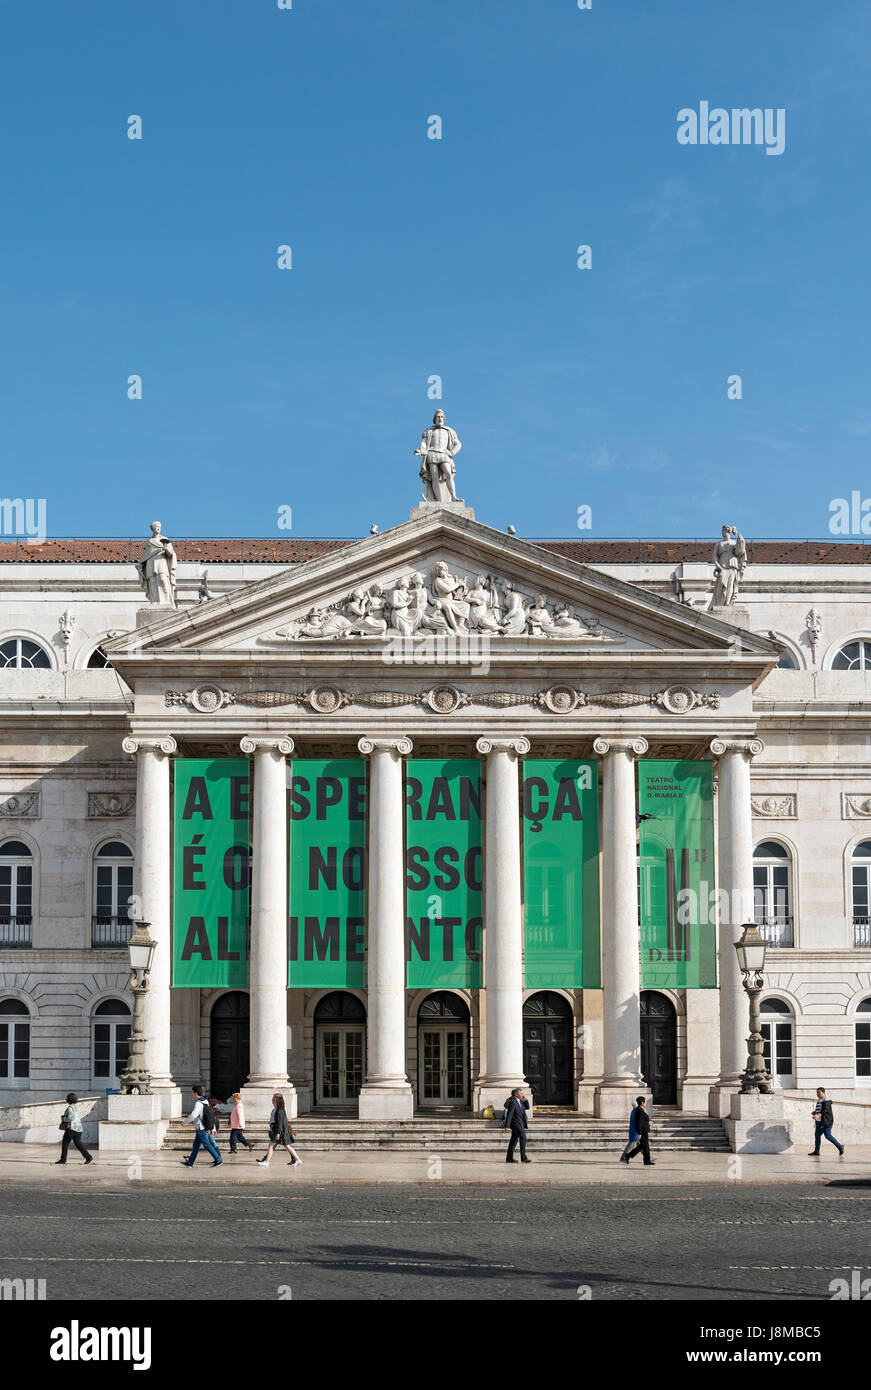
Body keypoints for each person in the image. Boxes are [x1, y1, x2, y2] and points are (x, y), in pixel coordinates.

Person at [181, 1085, 222, 1168]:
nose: (192, 1094)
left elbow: (193, 1115)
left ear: (196, 1093)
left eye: (192, 1092)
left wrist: (184, 1122)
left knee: (207, 1145)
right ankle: (190, 1162)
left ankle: (218, 1160)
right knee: (195, 1146)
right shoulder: (205, 1101)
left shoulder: (198, 1103)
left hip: (201, 1128)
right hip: (203, 1127)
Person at [256, 1093, 302, 1167]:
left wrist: (278, 1133)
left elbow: (280, 1123)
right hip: (279, 1131)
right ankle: (298, 1160)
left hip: (278, 1131)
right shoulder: (279, 1109)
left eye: (273, 1099)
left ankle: (266, 1162)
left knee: (271, 1145)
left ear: (277, 1101)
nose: (272, 1101)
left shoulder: (279, 1110)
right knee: (286, 1146)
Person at [55, 1092, 93, 1165]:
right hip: (78, 1128)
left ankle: (63, 1160)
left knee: (65, 1143)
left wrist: (64, 1119)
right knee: (78, 1144)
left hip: (71, 1129)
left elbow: (71, 1118)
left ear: (68, 1100)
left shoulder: (70, 1108)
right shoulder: (77, 1107)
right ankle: (88, 1157)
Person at [808, 1087, 845, 1157]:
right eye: (817, 1092)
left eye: (819, 1092)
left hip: (826, 1122)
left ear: (823, 1092)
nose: (817, 1094)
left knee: (828, 1136)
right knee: (817, 1136)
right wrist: (815, 1112)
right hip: (819, 1122)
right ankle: (816, 1151)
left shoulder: (826, 1100)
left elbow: (825, 1110)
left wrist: (818, 1115)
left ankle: (840, 1147)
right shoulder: (820, 1100)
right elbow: (820, 1109)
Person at [502, 1088, 531, 1164]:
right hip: (516, 1124)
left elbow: (527, 1107)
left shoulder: (520, 1101)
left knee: (513, 1141)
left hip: (521, 1123)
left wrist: (525, 1100)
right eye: (521, 1094)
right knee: (523, 1137)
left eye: (522, 1093)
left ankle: (509, 1158)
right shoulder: (513, 1102)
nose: (522, 1095)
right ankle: (523, 1157)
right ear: (516, 1094)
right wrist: (507, 1125)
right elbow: (509, 1114)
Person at [625, 1096, 655, 1166]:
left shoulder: (641, 1109)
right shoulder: (639, 1111)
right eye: (645, 1102)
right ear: (642, 1102)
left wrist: (649, 1121)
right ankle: (629, 1155)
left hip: (644, 1131)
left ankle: (645, 1160)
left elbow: (644, 1119)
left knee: (644, 1146)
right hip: (642, 1132)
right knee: (644, 1146)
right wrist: (639, 1133)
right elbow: (639, 1123)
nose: (646, 1103)